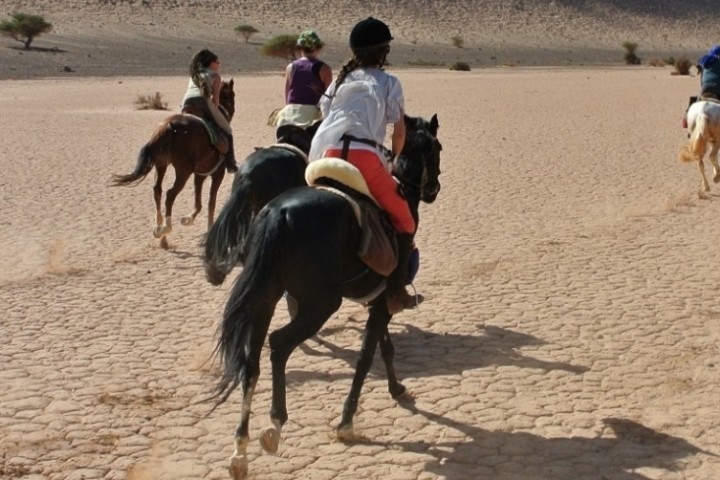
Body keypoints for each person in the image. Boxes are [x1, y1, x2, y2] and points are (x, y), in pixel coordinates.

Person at [308, 17, 421, 314]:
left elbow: (326, 115)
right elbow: (399, 132)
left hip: (328, 153)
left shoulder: (339, 80)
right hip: (365, 158)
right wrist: (393, 159)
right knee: (406, 221)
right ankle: (395, 292)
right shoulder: (389, 82)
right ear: (383, 51)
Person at [181, 48, 238, 173]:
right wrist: (215, 111)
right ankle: (230, 164)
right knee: (228, 130)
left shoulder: (194, 74)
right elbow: (215, 100)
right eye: (217, 62)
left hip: (186, 103)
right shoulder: (215, 76)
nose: (219, 64)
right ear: (210, 63)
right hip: (202, 101)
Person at [274, 30, 333, 128]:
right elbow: (328, 97)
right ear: (318, 48)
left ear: (300, 48)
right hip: (312, 117)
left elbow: (287, 94)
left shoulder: (290, 67)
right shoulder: (324, 68)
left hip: (289, 114)